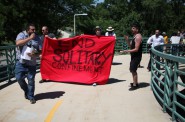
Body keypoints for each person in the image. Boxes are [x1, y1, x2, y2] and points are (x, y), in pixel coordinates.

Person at [15, 23, 42, 104]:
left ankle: (31, 96)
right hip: (21, 63)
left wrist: (35, 54)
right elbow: (18, 43)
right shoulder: (21, 35)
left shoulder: (38, 38)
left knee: (31, 81)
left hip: (31, 63)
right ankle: (27, 91)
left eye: (34, 29)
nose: (34, 31)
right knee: (19, 78)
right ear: (28, 30)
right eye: (32, 29)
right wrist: (29, 38)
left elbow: (40, 51)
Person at [121, 23, 143, 90]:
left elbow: (136, 49)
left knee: (133, 70)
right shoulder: (134, 36)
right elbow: (131, 46)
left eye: (133, 28)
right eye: (132, 28)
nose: (132, 29)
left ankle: (135, 85)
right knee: (132, 69)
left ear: (137, 29)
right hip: (133, 56)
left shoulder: (138, 37)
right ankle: (134, 82)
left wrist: (126, 51)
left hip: (137, 56)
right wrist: (127, 40)